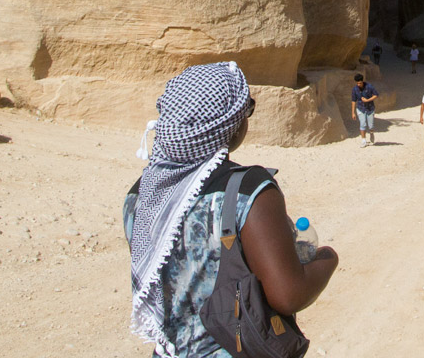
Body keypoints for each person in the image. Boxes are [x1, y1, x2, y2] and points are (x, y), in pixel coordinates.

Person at [126, 62, 338, 357]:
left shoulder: (141, 193)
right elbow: (289, 295)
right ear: (231, 123)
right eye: (246, 108)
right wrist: (327, 259)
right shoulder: (249, 188)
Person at [351, 73, 379, 147]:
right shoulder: (354, 89)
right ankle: (363, 140)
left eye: (360, 83)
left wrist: (367, 100)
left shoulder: (369, 87)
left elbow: (376, 95)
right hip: (360, 108)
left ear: (362, 81)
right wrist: (353, 112)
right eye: (357, 83)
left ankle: (371, 133)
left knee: (371, 126)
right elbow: (353, 101)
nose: (358, 84)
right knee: (362, 124)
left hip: (370, 108)